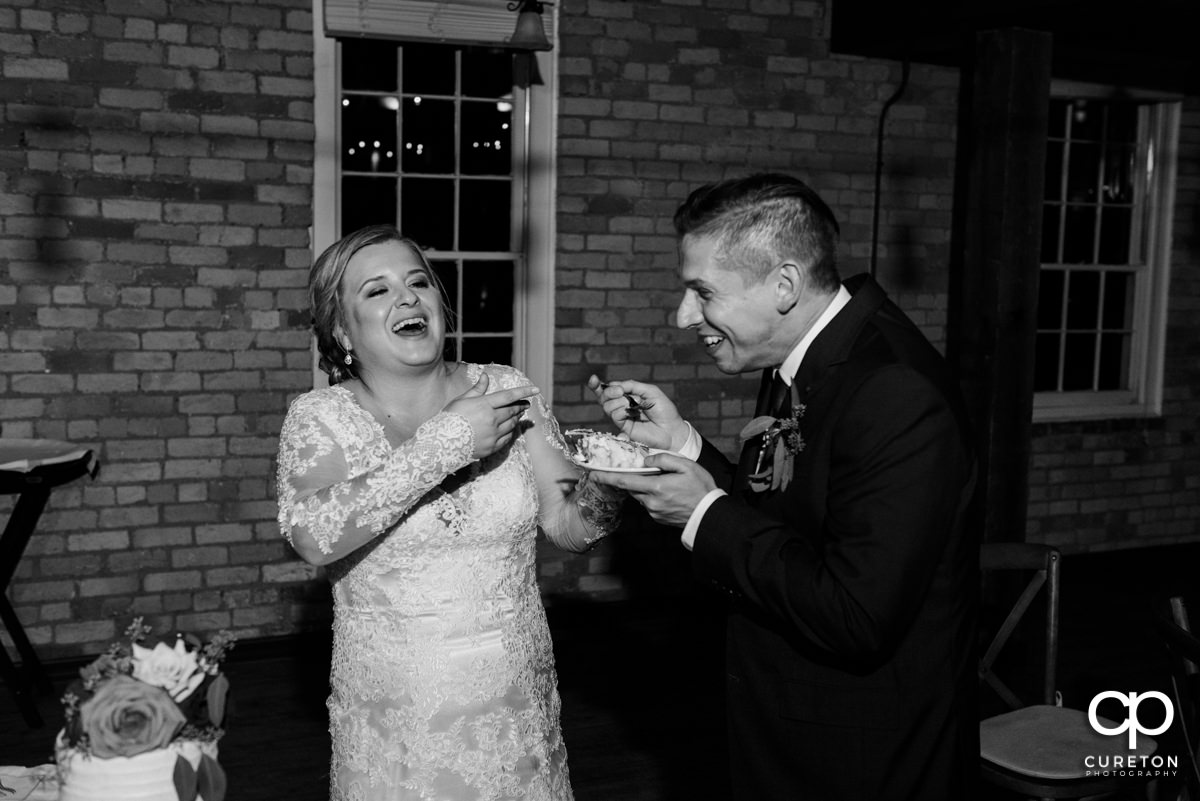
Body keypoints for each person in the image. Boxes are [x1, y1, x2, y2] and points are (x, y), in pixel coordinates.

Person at [587, 173, 979, 800]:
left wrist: (703, 515)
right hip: (783, 727)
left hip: (860, 757)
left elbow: (857, 616)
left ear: (785, 285)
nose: (684, 316)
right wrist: (683, 444)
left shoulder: (896, 394)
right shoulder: (802, 355)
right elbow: (782, 516)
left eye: (702, 292)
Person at [275, 224, 622, 801]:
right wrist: (448, 442)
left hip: (516, 710)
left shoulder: (509, 391)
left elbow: (570, 525)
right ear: (342, 330)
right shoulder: (319, 418)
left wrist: (613, 483)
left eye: (418, 282)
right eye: (377, 290)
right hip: (399, 724)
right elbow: (313, 536)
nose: (407, 297)